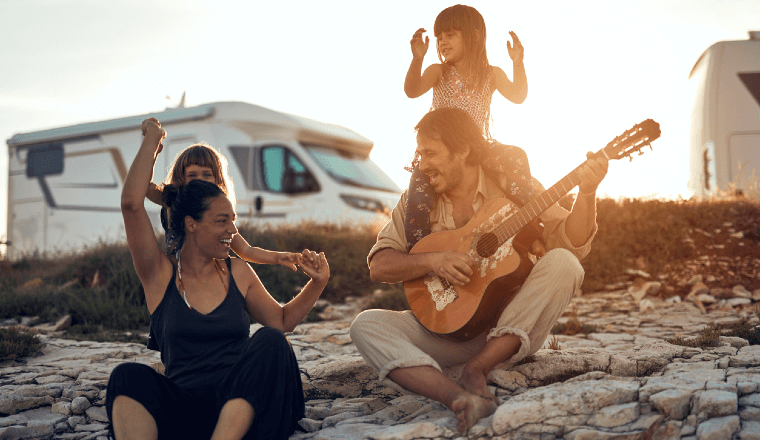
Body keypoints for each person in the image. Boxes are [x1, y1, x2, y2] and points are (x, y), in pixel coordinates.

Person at [349, 108, 608, 432]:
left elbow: (571, 243)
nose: (421, 163)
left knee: (564, 263)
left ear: (463, 150)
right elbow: (380, 265)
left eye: (430, 153)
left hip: (511, 329)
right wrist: (433, 260)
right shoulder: (417, 200)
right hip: (444, 331)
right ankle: (459, 397)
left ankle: (478, 369)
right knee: (366, 324)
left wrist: (586, 192)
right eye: (420, 153)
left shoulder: (516, 187)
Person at [107, 118, 330, 440]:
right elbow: (131, 203)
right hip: (186, 407)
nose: (231, 231)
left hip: (246, 407)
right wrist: (153, 142)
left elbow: (282, 321)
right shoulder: (159, 273)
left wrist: (318, 283)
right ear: (191, 224)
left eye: (233, 221)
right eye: (222, 221)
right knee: (127, 376)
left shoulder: (238, 271)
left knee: (271, 341)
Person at [403, 4, 533, 251]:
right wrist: (417, 58)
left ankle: (526, 227)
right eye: (439, 38)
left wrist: (518, 62)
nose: (442, 42)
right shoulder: (438, 71)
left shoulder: (491, 74)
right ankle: (416, 252)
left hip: (478, 148)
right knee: (418, 195)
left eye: (450, 35)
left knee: (516, 157)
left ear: (473, 36)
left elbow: (519, 95)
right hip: (441, 150)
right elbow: (412, 90)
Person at [145, 142, 300, 268]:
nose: (200, 179)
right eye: (192, 175)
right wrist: (151, 151)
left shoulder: (219, 211)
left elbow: (246, 250)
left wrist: (278, 257)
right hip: (177, 275)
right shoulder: (173, 201)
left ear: (217, 179)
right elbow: (144, 186)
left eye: (207, 174)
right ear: (182, 178)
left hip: (210, 279)